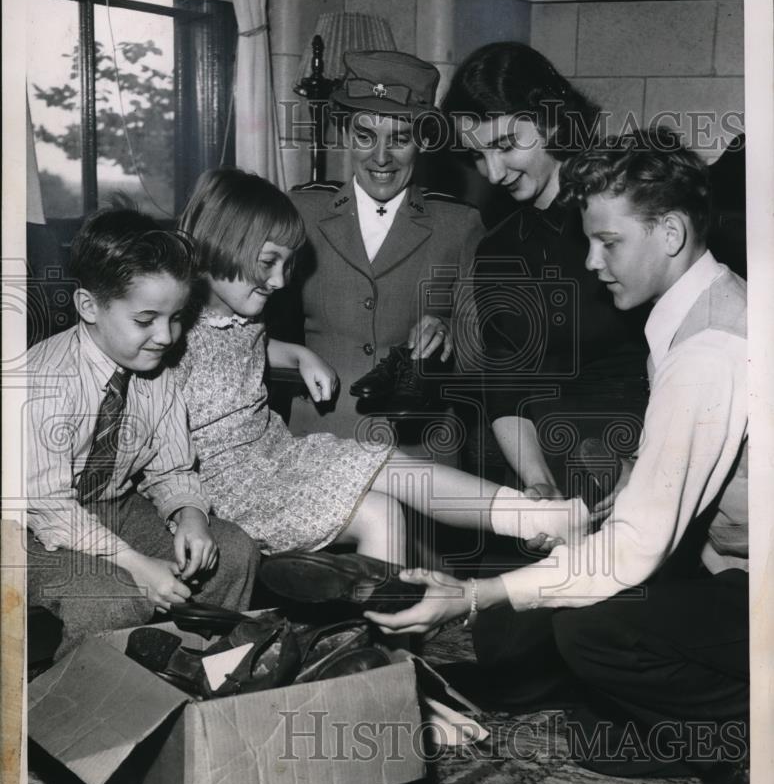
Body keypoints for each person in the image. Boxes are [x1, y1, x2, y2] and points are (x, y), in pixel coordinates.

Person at [366, 131, 750, 784]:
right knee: (603, 739)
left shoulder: (709, 350)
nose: (592, 261)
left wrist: (472, 596)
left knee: (592, 635)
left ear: (669, 233)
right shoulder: (708, 299)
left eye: (608, 242)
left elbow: (636, 553)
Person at [172, 167, 590, 570]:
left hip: (273, 454)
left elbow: (244, 348)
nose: (280, 282)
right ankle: (532, 523)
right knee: (379, 502)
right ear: (221, 244)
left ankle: (536, 518)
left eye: (286, 265)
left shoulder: (239, 311)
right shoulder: (171, 330)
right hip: (226, 487)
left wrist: (299, 355)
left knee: (387, 481)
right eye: (268, 262)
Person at [26, 209, 262, 661]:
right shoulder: (44, 382)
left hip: (111, 504)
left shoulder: (155, 371)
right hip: (28, 525)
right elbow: (49, 507)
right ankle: (86, 721)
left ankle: (198, 678)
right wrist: (135, 563)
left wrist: (190, 513)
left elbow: (172, 466)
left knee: (234, 551)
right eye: (146, 319)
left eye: (176, 317)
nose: (165, 336)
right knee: (113, 597)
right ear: (88, 307)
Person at [442, 42, 649, 499]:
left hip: (651, 445)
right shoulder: (498, 249)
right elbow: (506, 386)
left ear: (551, 120)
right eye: (478, 155)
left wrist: (644, 466)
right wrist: (537, 484)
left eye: (504, 145)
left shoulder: (630, 206)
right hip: (554, 455)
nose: (492, 173)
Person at [273, 49, 487, 440]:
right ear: (344, 134)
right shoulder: (301, 212)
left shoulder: (459, 224)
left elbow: (483, 354)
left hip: (420, 443)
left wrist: (449, 331)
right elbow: (252, 331)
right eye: (365, 135)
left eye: (400, 139)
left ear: (422, 142)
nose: (381, 157)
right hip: (319, 440)